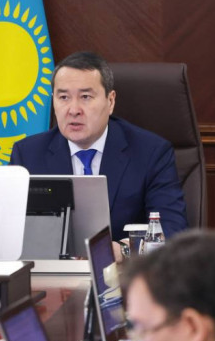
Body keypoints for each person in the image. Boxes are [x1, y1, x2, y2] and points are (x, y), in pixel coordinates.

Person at [10, 51, 188, 241]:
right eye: (63, 97)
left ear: (110, 101)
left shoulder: (151, 153)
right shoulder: (27, 155)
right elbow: (9, 229)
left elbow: (171, 230)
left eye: (85, 97)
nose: (73, 110)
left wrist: (124, 250)